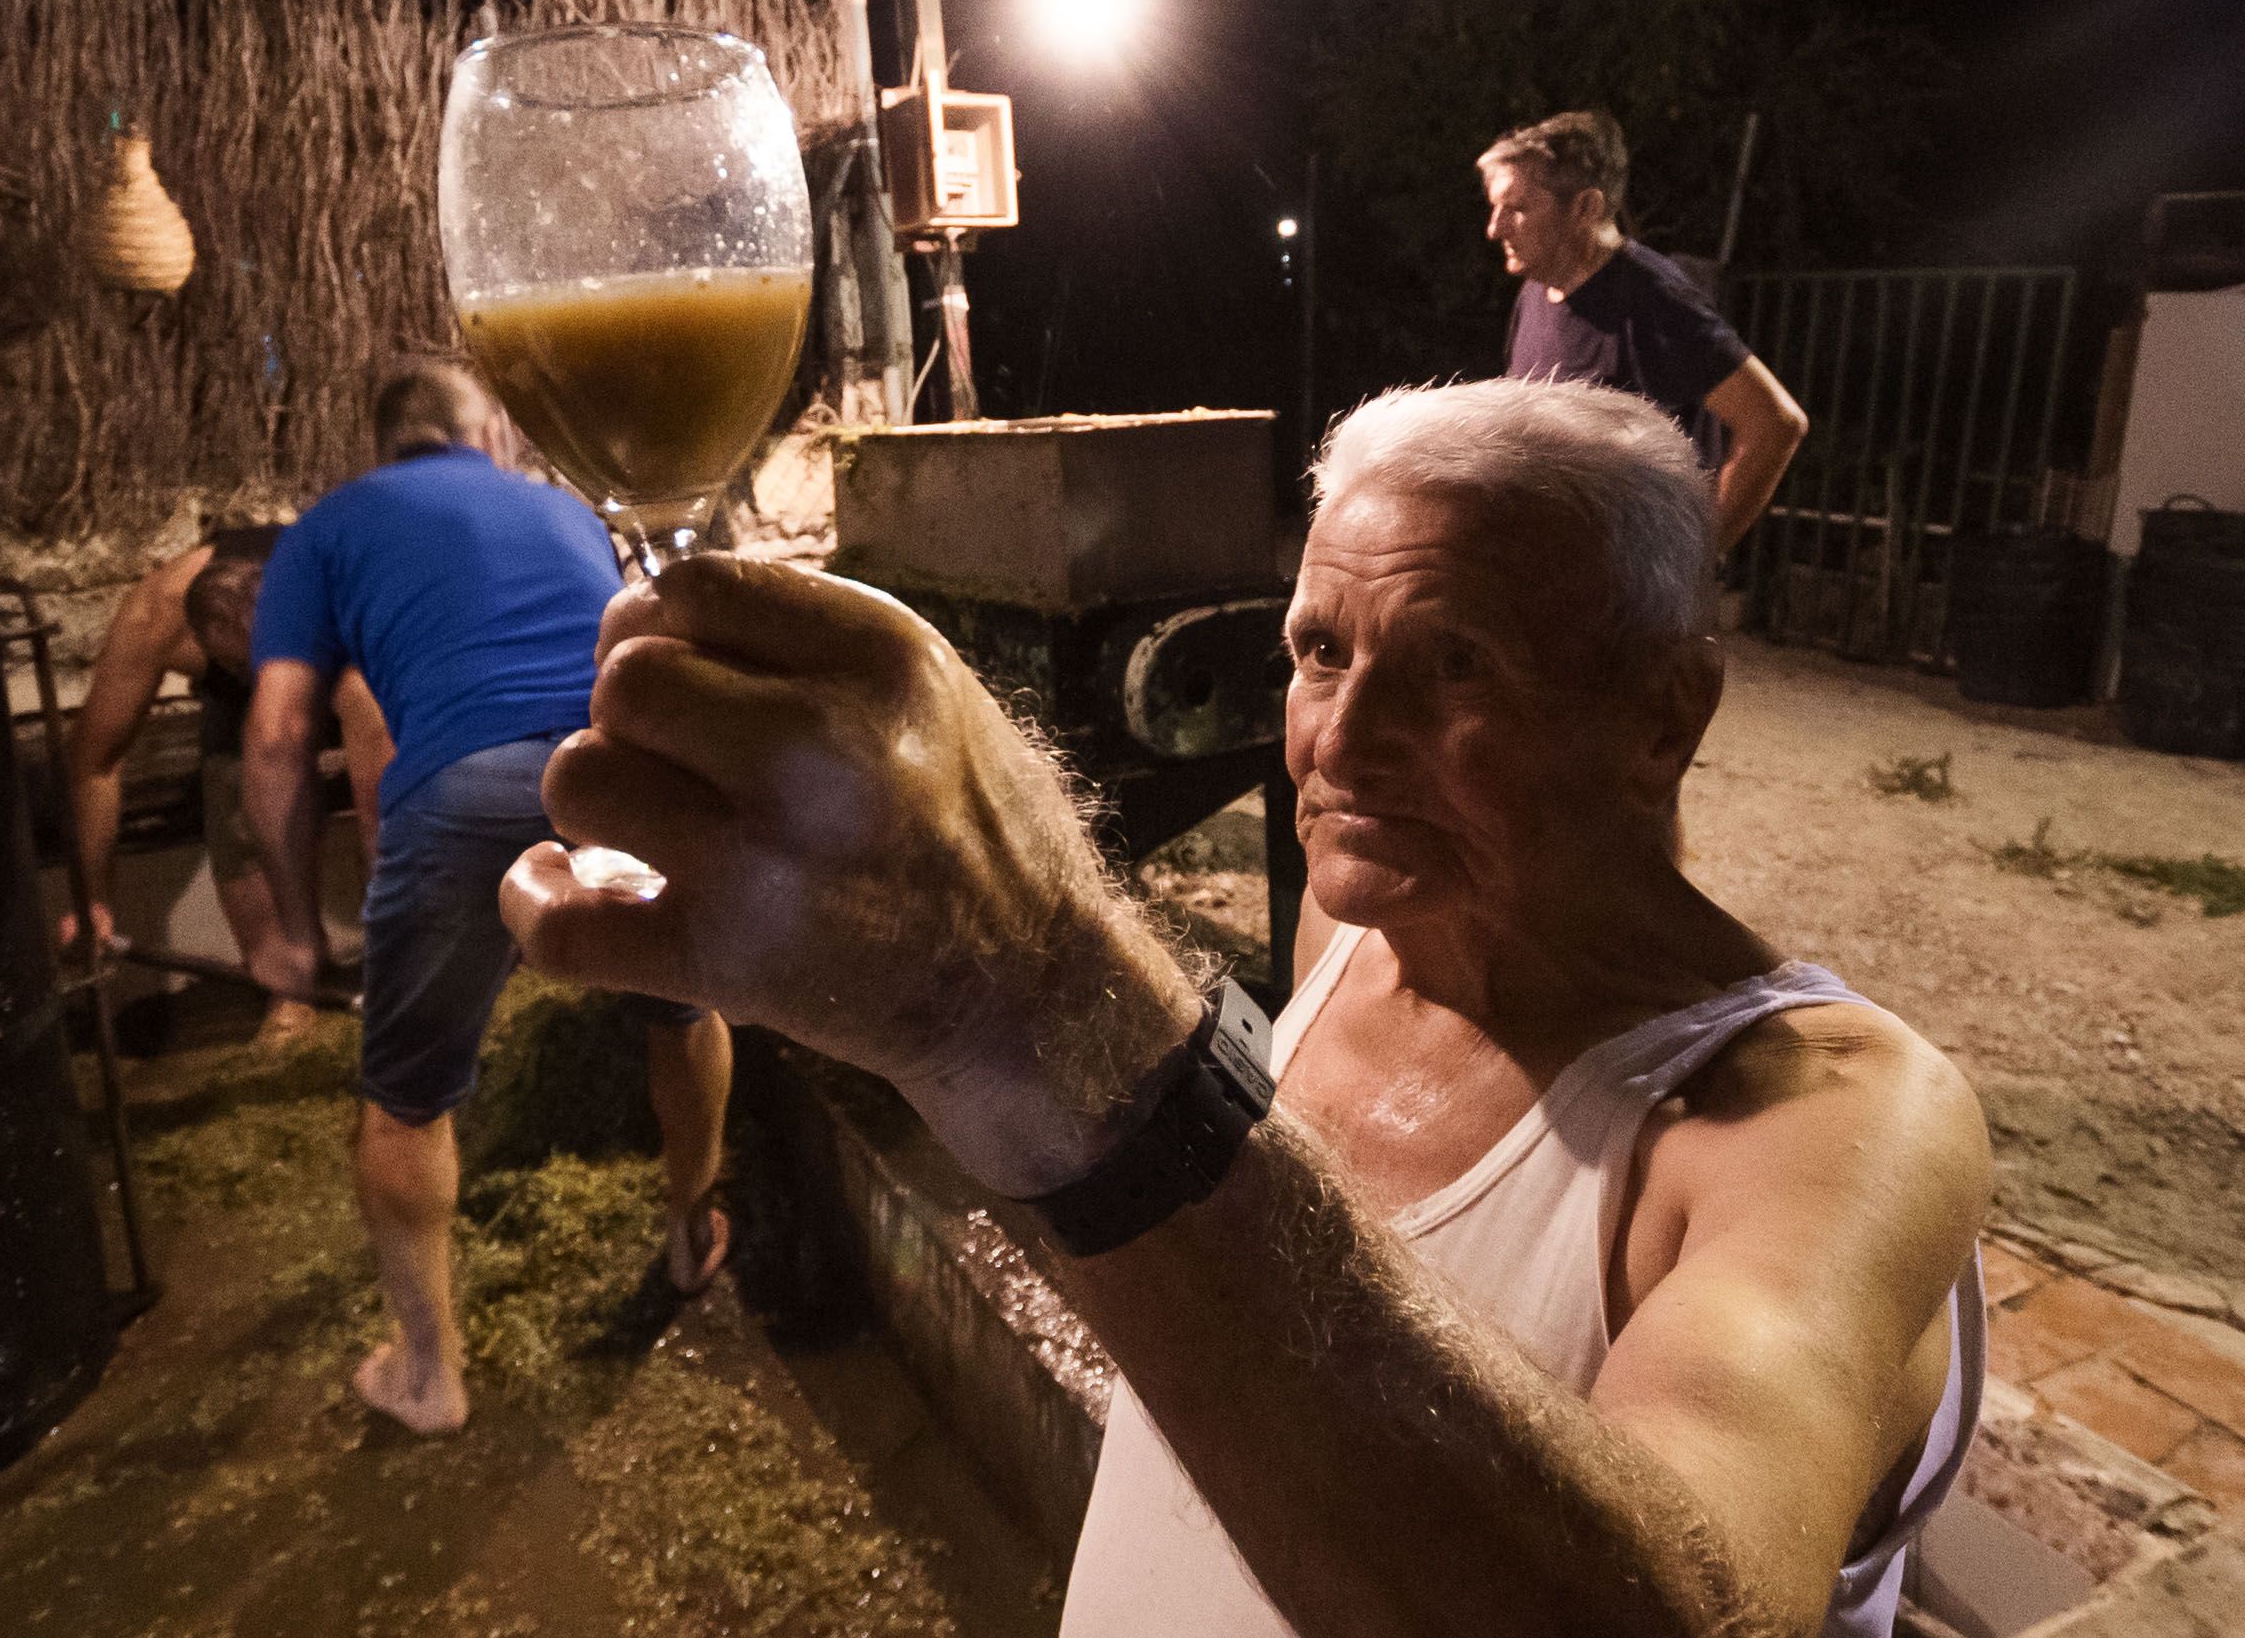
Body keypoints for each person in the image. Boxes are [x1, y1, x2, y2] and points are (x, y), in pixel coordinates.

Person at [502, 377, 1989, 1638]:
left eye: (1452, 663)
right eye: (1318, 649)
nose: (1340, 739)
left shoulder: (1831, 1115)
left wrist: (1038, 992)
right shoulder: (1364, 928)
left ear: (1665, 714)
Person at [241, 361, 735, 1438]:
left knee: (407, 1096)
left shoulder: (326, 527)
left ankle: (429, 1375)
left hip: (455, 789)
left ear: (391, 446)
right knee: (683, 1007)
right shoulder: (566, 507)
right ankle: (690, 1236)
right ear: (487, 434)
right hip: (610, 768)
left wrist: (290, 928)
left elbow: (281, 732)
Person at [59, 525, 384, 1043]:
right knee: (237, 798)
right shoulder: (156, 614)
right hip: (237, 711)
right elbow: (95, 763)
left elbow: (380, 802)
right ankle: (292, 989)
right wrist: (91, 899)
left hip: (362, 680)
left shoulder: (350, 608)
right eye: (238, 660)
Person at [1485, 108, 1810, 552]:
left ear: (1586, 207)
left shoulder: (1655, 301)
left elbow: (1774, 423)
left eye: (1518, 208)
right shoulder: (1535, 294)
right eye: (1495, 207)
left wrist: (1695, 562)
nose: (1494, 228)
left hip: (1627, 603)